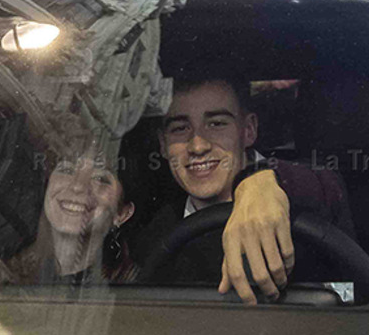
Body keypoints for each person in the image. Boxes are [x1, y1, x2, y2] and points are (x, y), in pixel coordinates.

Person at [134, 70, 354, 304]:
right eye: (180, 128)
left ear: (248, 130)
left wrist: (262, 180)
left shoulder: (308, 190)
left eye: (216, 124)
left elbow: (324, 184)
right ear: (163, 144)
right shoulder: (156, 236)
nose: (197, 146)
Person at [0, 139, 139, 285]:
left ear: (122, 214)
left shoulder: (122, 299)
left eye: (101, 178)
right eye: (66, 169)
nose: (77, 186)